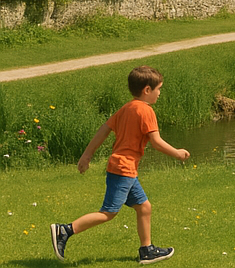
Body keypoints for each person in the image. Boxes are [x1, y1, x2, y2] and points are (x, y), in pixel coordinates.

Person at [50, 65, 190, 264]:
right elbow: (156, 142)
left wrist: (86, 156)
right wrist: (177, 153)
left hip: (124, 168)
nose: (160, 93)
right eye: (158, 89)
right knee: (108, 213)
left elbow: (103, 130)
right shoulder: (146, 111)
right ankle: (65, 230)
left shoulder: (126, 108)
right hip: (124, 169)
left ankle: (147, 250)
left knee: (144, 207)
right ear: (147, 90)